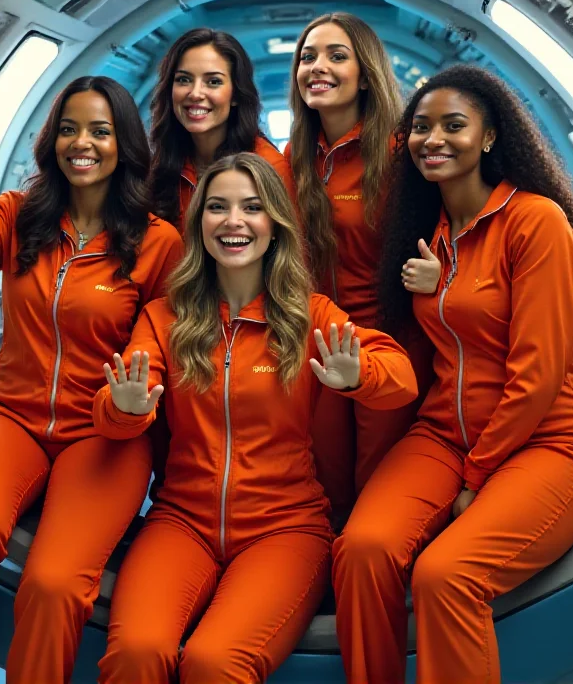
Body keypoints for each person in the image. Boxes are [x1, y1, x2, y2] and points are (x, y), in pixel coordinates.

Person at [92, 153, 418, 683]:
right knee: (136, 653)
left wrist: (358, 376)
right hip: (181, 524)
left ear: (276, 226)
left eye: (252, 207)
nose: (234, 221)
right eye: (217, 207)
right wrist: (124, 410)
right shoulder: (164, 317)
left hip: (286, 529)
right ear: (199, 224)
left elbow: (401, 379)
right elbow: (113, 411)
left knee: (213, 664)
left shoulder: (311, 314)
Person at [333, 64, 573, 684]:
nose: (436, 139)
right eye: (422, 127)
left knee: (446, 574)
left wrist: (477, 475)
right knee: (361, 550)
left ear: (488, 137)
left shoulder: (536, 222)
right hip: (444, 437)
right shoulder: (428, 234)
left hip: (547, 443)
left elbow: (537, 375)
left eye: (454, 125)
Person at [0, 70, 182, 684]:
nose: (81, 143)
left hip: (105, 434)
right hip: (10, 415)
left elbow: (157, 348)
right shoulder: (19, 216)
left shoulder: (157, 242)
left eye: (100, 131)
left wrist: (130, 409)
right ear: (52, 142)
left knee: (57, 583)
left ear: (125, 145)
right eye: (68, 129)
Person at [286, 12, 439, 525]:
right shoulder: (297, 156)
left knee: (377, 485)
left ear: (366, 71)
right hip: (325, 342)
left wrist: (442, 277)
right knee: (327, 478)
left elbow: (453, 227)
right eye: (308, 57)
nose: (318, 67)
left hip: (391, 342)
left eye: (336, 55)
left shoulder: (401, 152)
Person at [148, 27, 296, 234]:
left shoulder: (269, 167)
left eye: (213, 82)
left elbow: (291, 255)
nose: (196, 93)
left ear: (236, 95)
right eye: (183, 79)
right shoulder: (163, 164)